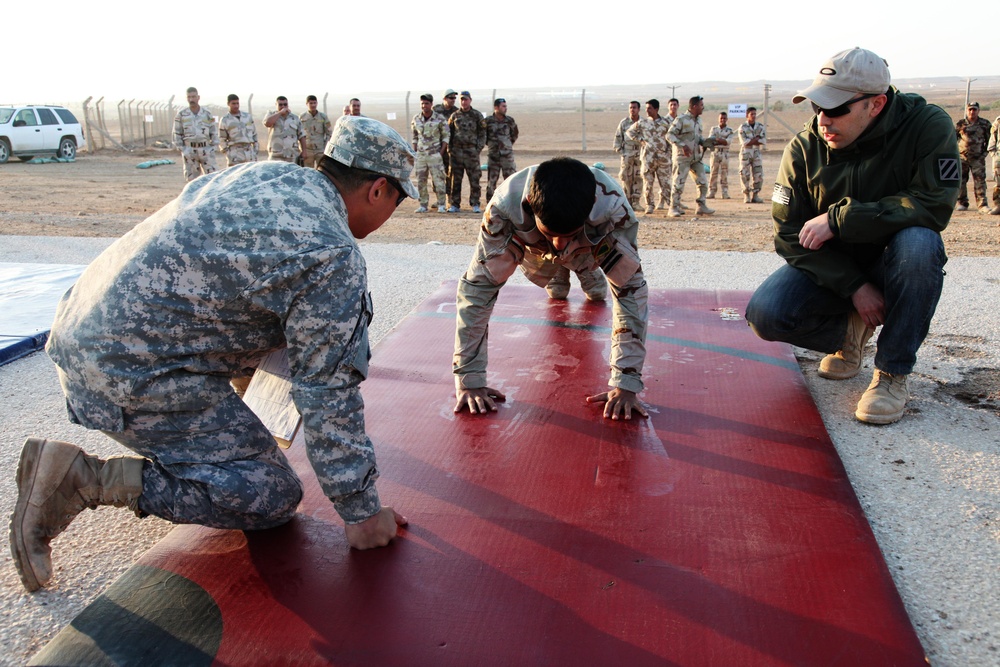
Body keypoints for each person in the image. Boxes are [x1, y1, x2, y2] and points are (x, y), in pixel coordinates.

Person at [9, 117, 419, 594]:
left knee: (307, 324)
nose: (394, 208)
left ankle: (223, 433)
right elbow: (327, 389)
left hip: (84, 333)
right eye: (397, 198)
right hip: (128, 375)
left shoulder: (261, 174)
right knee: (271, 496)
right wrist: (361, 511)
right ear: (378, 189)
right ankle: (84, 479)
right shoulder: (330, 252)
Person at [745, 47, 959, 425]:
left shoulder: (926, 126)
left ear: (876, 105)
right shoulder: (804, 148)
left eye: (837, 109)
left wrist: (840, 219)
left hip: (895, 256)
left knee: (920, 246)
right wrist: (855, 286)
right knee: (766, 314)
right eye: (817, 107)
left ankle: (892, 372)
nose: (823, 120)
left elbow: (933, 205)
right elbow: (787, 233)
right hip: (839, 266)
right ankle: (848, 333)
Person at [453, 157, 648, 420]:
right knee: (557, 289)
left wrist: (626, 382)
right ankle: (558, 269)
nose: (559, 244)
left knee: (597, 294)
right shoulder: (503, 208)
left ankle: (583, 269)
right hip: (536, 249)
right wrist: (469, 378)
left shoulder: (613, 208)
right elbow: (478, 291)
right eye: (552, 233)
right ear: (531, 206)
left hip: (588, 250)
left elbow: (630, 293)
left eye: (567, 235)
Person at [666, 96, 723, 217]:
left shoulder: (699, 121)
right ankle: (673, 207)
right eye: (701, 105)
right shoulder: (681, 119)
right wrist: (682, 146)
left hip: (696, 158)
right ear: (694, 106)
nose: (703, 107)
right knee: (678, 183)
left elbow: (697, 138)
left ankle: (701, 206)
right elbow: (669, 135)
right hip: (682, 158)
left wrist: (706, 141)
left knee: (702, 182)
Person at [626, 99, 672, 215]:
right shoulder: (643, 123)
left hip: (663, 158)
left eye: (649, 108)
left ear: (656, 109)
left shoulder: (666, 123)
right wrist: (641, 140)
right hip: (648, 158)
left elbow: (672, 137)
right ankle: (649, 205)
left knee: (665, 183)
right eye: (646, 108)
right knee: (648, 183)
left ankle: (672, 205)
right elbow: (629, 132)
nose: (647, 111)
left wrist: (669, 151)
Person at [447, 91, 486, 213]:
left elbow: (483, 133)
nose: (464, 102)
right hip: (457, 152)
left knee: (474, 179)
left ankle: (475, 203)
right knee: (455, 179)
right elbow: (449, 133)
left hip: (471, 152)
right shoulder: (454, 116)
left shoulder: (477, 115)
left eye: (466, 99)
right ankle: (455, 204)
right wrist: (450, 149)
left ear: (470, 100)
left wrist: (478, 148)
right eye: (462, 99)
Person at [411, 93, 449, 213]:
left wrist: (440, 153)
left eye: (426, 103)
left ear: (431, 104)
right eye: (422, 103)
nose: (424, 106)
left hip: (434, 154)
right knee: (421, 181)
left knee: (439, 181)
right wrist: (415, 151)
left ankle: (442, 204)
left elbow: (446, 137)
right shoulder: (416, 119)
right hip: (421, 156)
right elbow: (415, 136)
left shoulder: (439, 118)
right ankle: (423, 204)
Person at [172, 86, 218, 182]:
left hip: (206, 150)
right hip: (190, 151)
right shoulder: (181, 115)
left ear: (198, 97)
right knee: (192, 181)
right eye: (189, 97)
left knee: (213, 179)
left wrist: (212, 148)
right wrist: (184, 150)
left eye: (193, 97)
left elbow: (214, 132)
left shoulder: (207, 114)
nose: (191, 99)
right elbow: (176, 134)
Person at [955, 102, 992, 213]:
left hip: (978, 158)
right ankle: (962, 203)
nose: (972, 112)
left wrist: (984, 153)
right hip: (962, 158)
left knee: (980, 181)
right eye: (970, 109)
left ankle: (982, 205)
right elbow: (954, 139)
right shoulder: (961, 124)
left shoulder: (984, 124)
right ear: (967, 110)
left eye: (974, 110)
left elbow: (990, 140)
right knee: (961, 181)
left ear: (978, 111)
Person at [484, 98, 519, 201]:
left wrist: (507, 144)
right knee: (491, 181)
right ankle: (490, 202)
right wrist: (492, 145)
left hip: (507, 156)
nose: (505, 108)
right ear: (496, 107)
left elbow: (514, 134)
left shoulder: (509, 120)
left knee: (510, 180)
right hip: (493, 155)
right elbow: (483, 136)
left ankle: (511, 201)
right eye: (503, 106)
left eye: (506, 106)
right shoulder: (488, 121)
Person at [613, 100, 643, 209]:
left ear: (638, 109)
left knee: (638, 177)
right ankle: (626, 202)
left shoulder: (643, 123)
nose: (632, 110)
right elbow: (617, 139)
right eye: (630, 107)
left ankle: (636, 202)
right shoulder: (624, 123)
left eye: (634, 107)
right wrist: (622, 152)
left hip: (640, 153)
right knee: (625, 177)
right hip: (627, 153)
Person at [218, 94, 258, 167]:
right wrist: (228, 154)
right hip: (235, 153)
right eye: (233, 103)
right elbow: (221, 139)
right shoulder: (225, 120)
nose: (236, 106)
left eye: (237, 103)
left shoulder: (247, 117)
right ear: (228, 104)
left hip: (249, 151)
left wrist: (255, 150)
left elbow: (254, 134)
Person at [263, 96, 307, 163]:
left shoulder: (295, 118)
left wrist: (304, 151)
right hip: (276, 154)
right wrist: (280, 113)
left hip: (291, 154)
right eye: (280, 105)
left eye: (285, 104)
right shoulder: (271, 115)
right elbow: (267, 123)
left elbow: (302, 136)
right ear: (276, 105)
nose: (283, 106)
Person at [739, 107, 767, 203]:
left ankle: (755, 195)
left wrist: (753, 141)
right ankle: (746, 194)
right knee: (744, 174)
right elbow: (744, 142)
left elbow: (763, 141)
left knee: (758, 174)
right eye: (752, 114)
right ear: (747, 115)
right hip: (746, 153)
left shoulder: (760, 127)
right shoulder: (743, 127)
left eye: (755, 114)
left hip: (756, 152)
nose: (754, 116)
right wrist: (756, 139)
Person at [433, 89, 459, 182]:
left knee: (450, 174)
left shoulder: (456, 112)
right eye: (451, 98)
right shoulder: (436, 110)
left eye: (454, 98)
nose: (453, 100)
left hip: (450, 148)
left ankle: (448, 195)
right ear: (444, 98)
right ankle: (439, 195)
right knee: (436, 173)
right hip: (437, 147)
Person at [300, 95, 332, 168]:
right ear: (307, 104)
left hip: (320, 149)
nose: (313, 105)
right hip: (307, 150)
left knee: (321, 170)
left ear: (317, 103)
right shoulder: (302, 117)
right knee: (307, 171)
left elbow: (329, 133)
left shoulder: (323, 117)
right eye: (311, 103)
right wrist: (302, 149)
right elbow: (299, 134)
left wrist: (326, 148)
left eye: (314, 103)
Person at [708, 111, 735, 199]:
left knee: (724, 173)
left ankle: (725, 192)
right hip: (715, 153)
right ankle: (712, 191)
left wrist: (718, 139)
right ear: (718, 119)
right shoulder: (714, 129)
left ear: (726, 119)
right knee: (713, 173)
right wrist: (720, 140)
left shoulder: (730, 131)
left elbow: (727, 142)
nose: (722, 120)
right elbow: (711, 141)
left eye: (724, 118)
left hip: (725, 153)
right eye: (721, 118)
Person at [988, 115, 1000, 215]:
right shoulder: (998, 121)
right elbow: (992, 140)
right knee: (998, 183)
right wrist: (995, 156)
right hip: (999, 157)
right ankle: (998, 205)